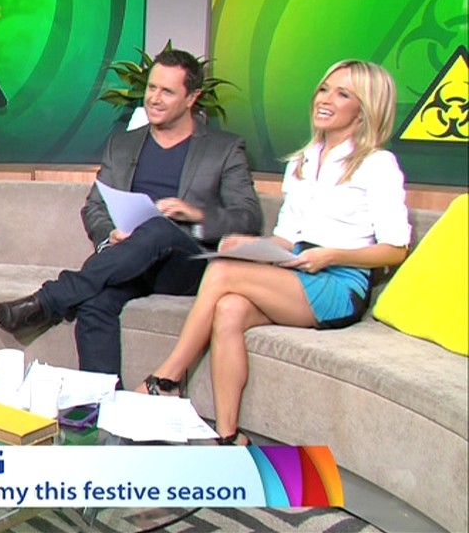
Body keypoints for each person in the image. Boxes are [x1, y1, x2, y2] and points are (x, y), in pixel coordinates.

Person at [134, 60, 411, 445]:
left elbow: (395, 250)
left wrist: (330, 256)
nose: (325, 99)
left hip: (339, 283)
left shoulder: (377, 165)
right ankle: (229, 438)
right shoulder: (302, 161)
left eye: (342, 94)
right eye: (324, 89)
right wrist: (247, 246)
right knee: (229, 307)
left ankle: (167, 378)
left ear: (364, 109)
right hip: (296, 271)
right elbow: (285, 239)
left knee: (222, 272)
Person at [0, 49, 263, 386]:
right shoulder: (123, 145)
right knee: (94, 302)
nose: (154, 99)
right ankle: (101, 403)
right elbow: (95, 207)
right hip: (131, 260)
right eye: (151, 88)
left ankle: (49, 299)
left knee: (158, 228)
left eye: (167, 92)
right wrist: (110, 236)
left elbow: (248, 218)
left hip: (186, 266)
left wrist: (195, 214)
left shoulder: (224, 148)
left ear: (192, 98)